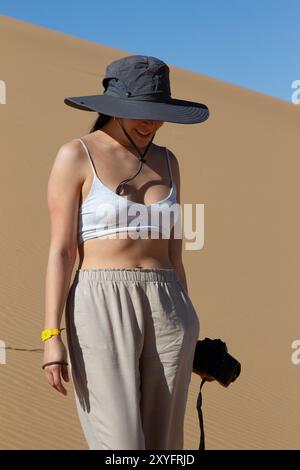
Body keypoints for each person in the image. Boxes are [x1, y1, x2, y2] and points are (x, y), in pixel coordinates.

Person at [41, 55, 209, 450]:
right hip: (101, 300)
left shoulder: (169, 160)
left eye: (157, 112)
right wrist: (51, 334)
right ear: (112, 109)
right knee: (119, 442)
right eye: (139, 112)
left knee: (165, 443)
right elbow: (61, 251)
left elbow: (174, 253)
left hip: (169, 303)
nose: (149, 122)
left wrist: (189, 323)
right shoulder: (75, 154)